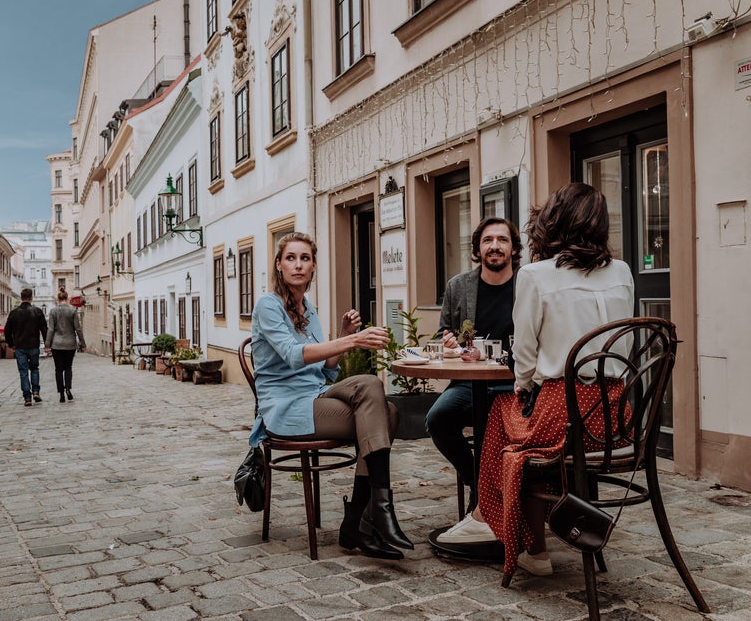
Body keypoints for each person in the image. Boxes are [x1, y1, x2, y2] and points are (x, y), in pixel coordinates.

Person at [433, 182, 634, 580]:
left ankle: (516, 536)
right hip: (614, 417)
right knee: (512, 419)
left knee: (503, 418)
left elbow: (524, 355)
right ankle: (504, 522)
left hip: (562, 413)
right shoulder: (623, 271)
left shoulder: (536, 275)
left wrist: (524, 384)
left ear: (553, 221)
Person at [249, 232, 411, 560]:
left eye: (305, 258)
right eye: (291, 258)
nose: (298, 265)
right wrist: (353, 341)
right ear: (279, 265)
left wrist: (344, 334)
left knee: (380, 399)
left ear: (313, 267)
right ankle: (368, 520)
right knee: (381, 407)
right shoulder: (269, 306)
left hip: (316, 394)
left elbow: (326, 370)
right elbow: (295, 356)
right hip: (285, 407)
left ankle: (362, 520)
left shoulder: (307, 306)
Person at [425, 217, 521, 512]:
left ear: (514, 249)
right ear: (478, 250)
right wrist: (449, 342)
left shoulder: (528, 284)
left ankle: (508, 498)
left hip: (515, 383)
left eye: (502, 240)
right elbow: (443, 333)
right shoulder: (459, 285)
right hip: (469, 382)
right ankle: (479, 484)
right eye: (488, 240)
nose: (495, 246)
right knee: (437, 419)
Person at [5, 287, 48, 406]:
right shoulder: (37, 311)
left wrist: (11, 344)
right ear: (31, 298)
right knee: (34, 368)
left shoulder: (14, 313)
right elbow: (44, 329)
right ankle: (35, 391)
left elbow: (7, 331)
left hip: (19, 347)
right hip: (34, 345)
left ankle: (27, 398)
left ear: (21, 297)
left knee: (23, 371)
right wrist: (47, 344)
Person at [45, 288, 86, 403]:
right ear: (67, 298)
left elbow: (51, 329)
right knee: (68, 368)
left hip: (56, 344)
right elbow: (78, 328)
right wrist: (82, 343)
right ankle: (68, 388)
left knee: (58, 369)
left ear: (58, 299)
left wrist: (47, 344)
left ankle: (61, 393)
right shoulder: (73, 311)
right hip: (70, 344)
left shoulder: (53, 311)